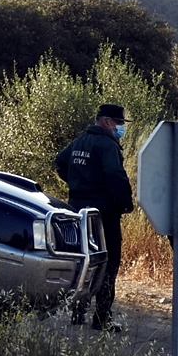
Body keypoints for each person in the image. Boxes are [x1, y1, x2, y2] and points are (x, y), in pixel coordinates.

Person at [55, 103, 134, 332]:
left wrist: (76, 185)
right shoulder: (106, 144)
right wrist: (124, 203)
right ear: (107, 121)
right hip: (103, 214)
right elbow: (115, 175)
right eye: (119, 123)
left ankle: (78, 312)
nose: (121, 128)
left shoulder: (80, 140)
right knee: (108, 263)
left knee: (85, 261)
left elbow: (60, 162)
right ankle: (102, 317)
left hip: (78, 211)